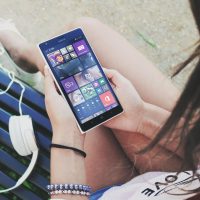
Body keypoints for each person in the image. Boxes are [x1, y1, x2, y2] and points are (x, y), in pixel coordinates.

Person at [0, 0, 199, 199]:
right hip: (181, 173)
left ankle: (27, 57)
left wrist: (67, 137)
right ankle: (26, 56)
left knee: (66, 71)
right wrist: (142, 117)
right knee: (83, 35)